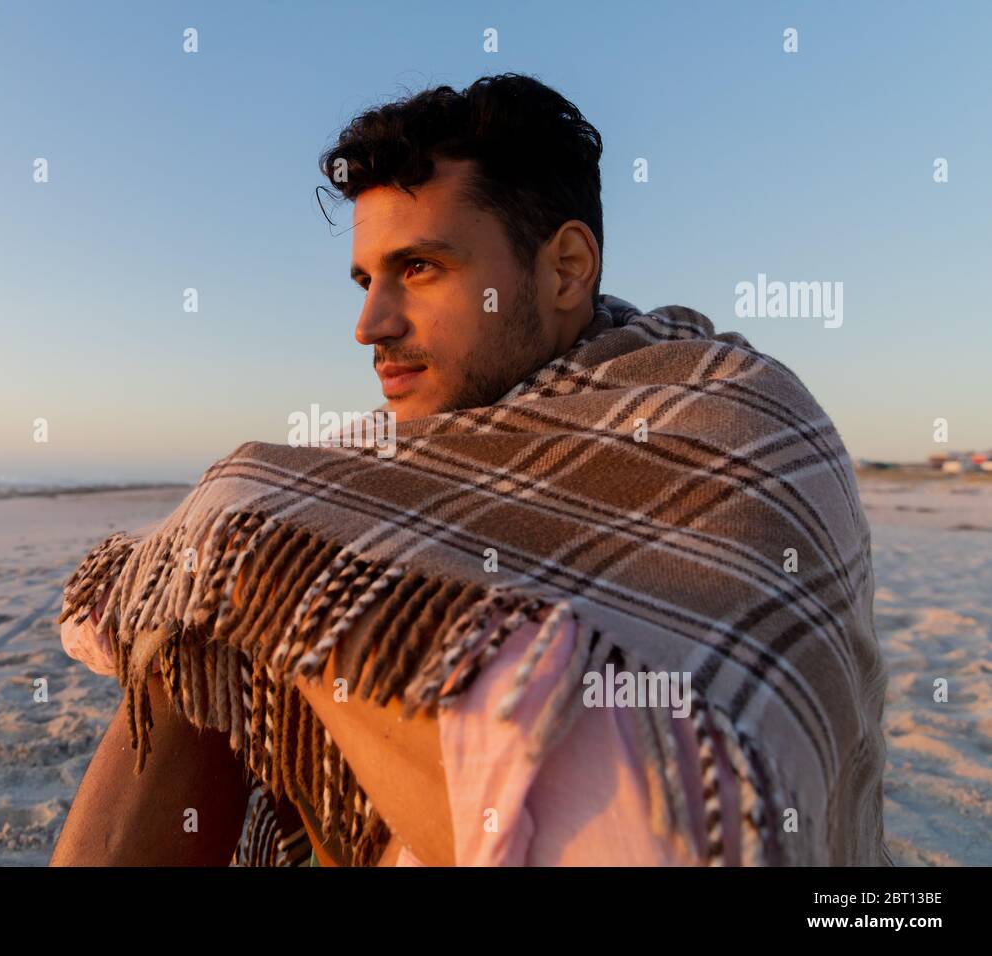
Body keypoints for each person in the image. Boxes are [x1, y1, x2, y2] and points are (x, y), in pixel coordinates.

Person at [50, 74, 888, 867]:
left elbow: (662, 832)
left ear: (565, 269)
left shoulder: (724, 417)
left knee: (243, 541)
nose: (369, 324)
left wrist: (250, 534)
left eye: (419, 269)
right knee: (206, 609)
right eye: (365, 279)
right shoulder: (394, 458)